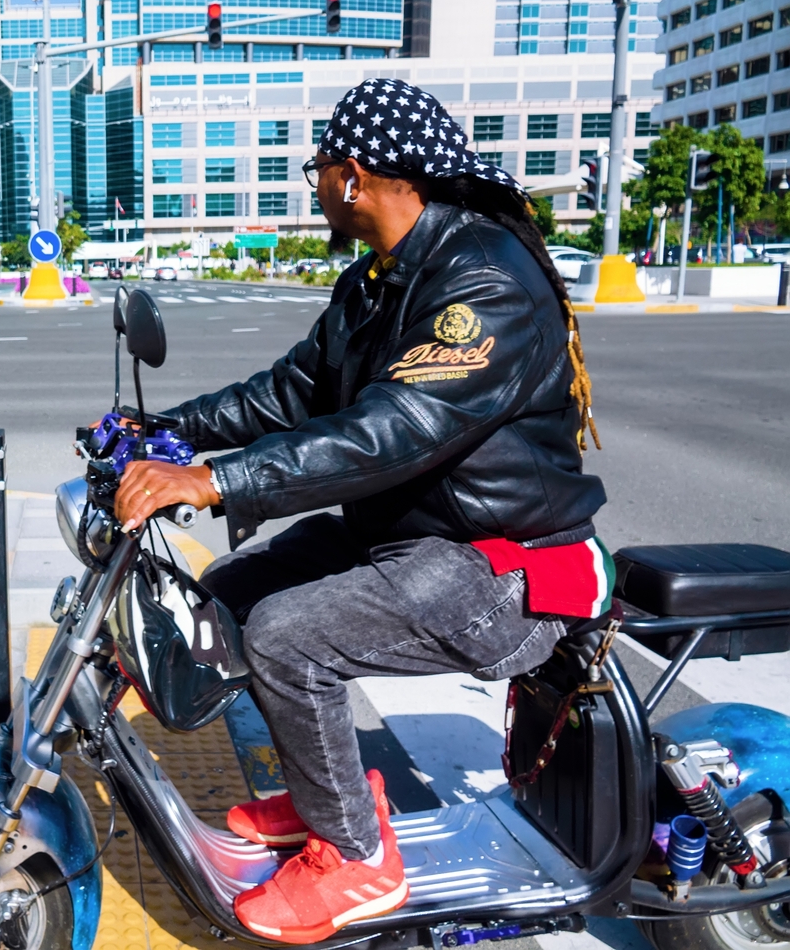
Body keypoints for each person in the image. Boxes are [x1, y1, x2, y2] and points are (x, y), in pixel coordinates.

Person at [114, 78, 609, 944]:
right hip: (415, 537)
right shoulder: (378, 279)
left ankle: (353, 860)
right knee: (228, 596)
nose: (313, 187)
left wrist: (221, 483)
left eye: (317, 170)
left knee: (285, 634)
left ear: (352, 175)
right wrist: (167, 432)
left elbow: (397, 428)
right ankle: (332, 793)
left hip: (503, 565)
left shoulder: (483, 278)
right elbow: (295, 390)